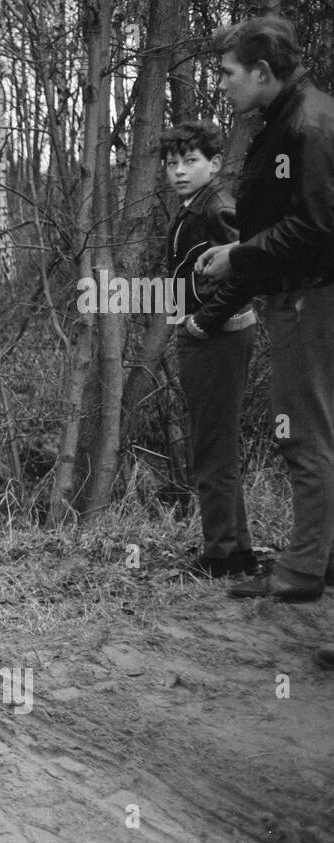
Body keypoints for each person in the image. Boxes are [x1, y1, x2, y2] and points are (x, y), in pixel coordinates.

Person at [189, 16, 334, 607]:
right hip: (302, 292)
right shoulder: (295, 115)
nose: (220, 84)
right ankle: (319, 557)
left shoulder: (308, 123)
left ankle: (302, 571)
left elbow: (318, 225)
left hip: (309, 295)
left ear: (262, 72)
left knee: (302, 432)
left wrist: (239, 257)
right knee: (319, 429)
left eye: (227, 74)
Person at [162, 120, 258, 579]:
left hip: (218, 337)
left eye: (190, 161)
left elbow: (246, 271)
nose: (179, 170)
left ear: (215, 164)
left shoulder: (217, 206)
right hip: (209, 334)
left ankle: (219, 557)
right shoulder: (196, 204)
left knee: (211, 448)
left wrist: (203, 320)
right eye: (172, 162)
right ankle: (237, 552)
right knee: (217, 444)